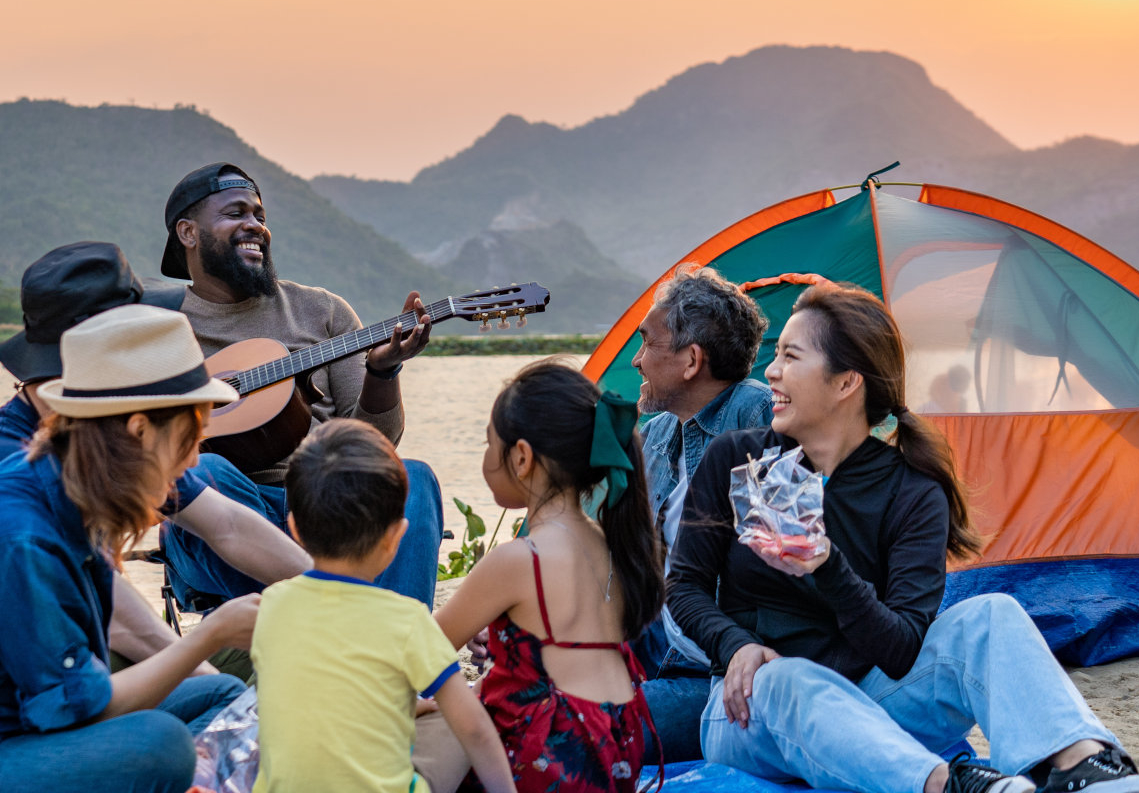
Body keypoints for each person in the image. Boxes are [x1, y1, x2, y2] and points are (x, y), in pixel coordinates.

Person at [667, 281, 1139, 793]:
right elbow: (683, 586)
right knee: (786, 678)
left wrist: (827, 566)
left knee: (990, 614)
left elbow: (903, 647)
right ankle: (950, 787)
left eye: (790, 357)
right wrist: (737, 646)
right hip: (750, 706)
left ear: (846, 383)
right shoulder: (739, 459)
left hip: (874, 699)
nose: (770, 372)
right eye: (775, 356)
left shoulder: (910, 490)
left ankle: (1083, 768)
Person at [0, 304, 260, 793]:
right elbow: (80, 709)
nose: (195, 458)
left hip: (19, 729)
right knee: (161, 745)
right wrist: (210, 633)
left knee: (220, 692)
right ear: (139, 430)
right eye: (189, 438)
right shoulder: (18, 536)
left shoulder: (72, 488)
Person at [0, 240, 311, 675]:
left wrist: (337, 594)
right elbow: (117, 621)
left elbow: (227, 525)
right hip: (62, 667)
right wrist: (217, 690)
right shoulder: (5, 463)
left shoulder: (118, 429)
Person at [159, 161, 445, 606]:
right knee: (203, 473)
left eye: (260, 216)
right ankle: (349, 619)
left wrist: (382, 371)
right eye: (236, 214)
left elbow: (376, 446)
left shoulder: (322, 311)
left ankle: (393, 654)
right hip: (222, 517)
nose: (255, 226)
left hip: (322, 507)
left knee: (413, 478)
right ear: (188, 233)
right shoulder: (159, 328)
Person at [434, 360, 666, 793]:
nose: (485, 459)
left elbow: (420, 649)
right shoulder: (614, 544)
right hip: (619, 744)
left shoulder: (519, 559)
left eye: (489, 445)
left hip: (551, 756)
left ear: (521, 457)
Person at [252, 419, 518, 793]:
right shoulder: (406, 621)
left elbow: (323, 697)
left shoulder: (270, 606)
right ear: (396, 537)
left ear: (294, 529)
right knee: (461, 719)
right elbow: (473, 728)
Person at [631, 266, 773, 760]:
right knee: (516, 700)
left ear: (692, 360)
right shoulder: (655, 433)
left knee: (581, 731)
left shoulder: (757, 414)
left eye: (647, 344)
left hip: (715, 670)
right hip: (650, 644)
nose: (636, 360)